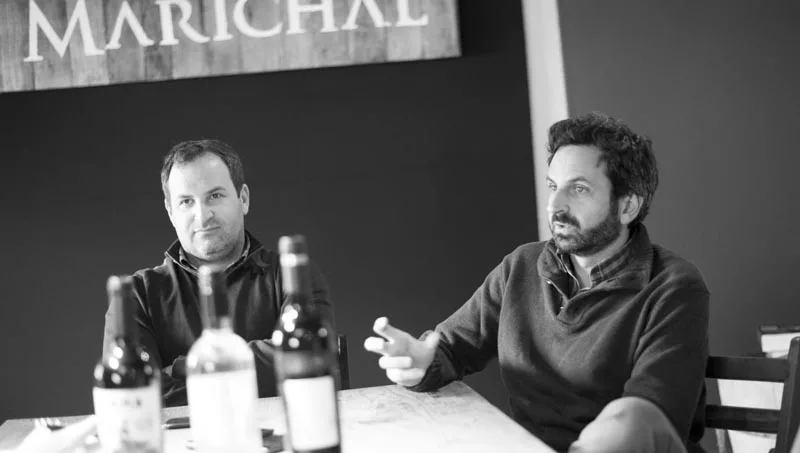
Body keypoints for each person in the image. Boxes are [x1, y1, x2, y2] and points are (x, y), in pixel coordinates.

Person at [364, 112, 709, 453]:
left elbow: (646, 422)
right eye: (553, 186)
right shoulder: (521, 266)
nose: (555, 205)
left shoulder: (674, 287)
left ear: (628, 206)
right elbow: (450, 348)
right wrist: (420, 364)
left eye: (579, 189)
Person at [102, 139, 333, 407]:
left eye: (214, 196)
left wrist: (184, 367)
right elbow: (137, 394)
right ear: (170, 212)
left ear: (243, 199)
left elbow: (308, 358)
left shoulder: (294, 275)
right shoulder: (136, 294)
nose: (202, 216)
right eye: (186, 201)